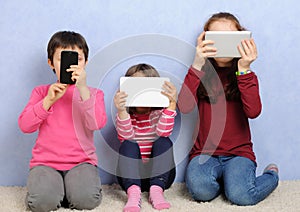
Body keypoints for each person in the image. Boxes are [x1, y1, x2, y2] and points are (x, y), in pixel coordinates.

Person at [178, 12, 279, 206]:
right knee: (200, 191)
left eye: (229, 39)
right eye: (216, 39)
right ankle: (227, 181)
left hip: (239, 154)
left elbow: (253, 111)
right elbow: (184, 106)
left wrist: (244, 69)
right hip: (204, 154)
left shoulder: (246, 75)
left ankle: (271, 175)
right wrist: (197, 63)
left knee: (242, 196)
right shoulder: (199, 73)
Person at [18, 31, 107, 211]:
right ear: (51, 62)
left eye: (78, 59)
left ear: (86, 63)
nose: (72, 65)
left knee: (86, 200)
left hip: (81, 162)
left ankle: (69, 189)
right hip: (46, 163)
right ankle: (55, 190)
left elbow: (96, 124)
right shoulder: (42, 92)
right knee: (42, 203)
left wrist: (82, 90)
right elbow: (25, 126)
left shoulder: (94, 94)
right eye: (63, 59)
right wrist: (48, 102)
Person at [114, 63, 177, 212]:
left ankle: (156, 191)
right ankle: (134, 194)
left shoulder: (158, 114)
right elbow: (126, 136)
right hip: (131, 176)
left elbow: (163, 132)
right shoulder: (127, 117)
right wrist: (122, 110)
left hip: (160, 175)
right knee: (128, 144)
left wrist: (172, 104)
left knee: (164, 142)